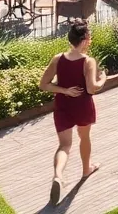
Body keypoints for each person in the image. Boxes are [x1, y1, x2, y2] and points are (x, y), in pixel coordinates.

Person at [40, 19, 106, 205]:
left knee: (64, 146)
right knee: (84, 138)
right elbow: (92, 89)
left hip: (63, 105)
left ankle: (58, 176)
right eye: (90, 38)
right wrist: (104, 79)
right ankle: (86, 169)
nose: (90, 40)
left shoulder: (57, 59)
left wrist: (64, 90)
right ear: (84, 40)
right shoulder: (88, 61)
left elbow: (43, 84)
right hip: (82, 105)